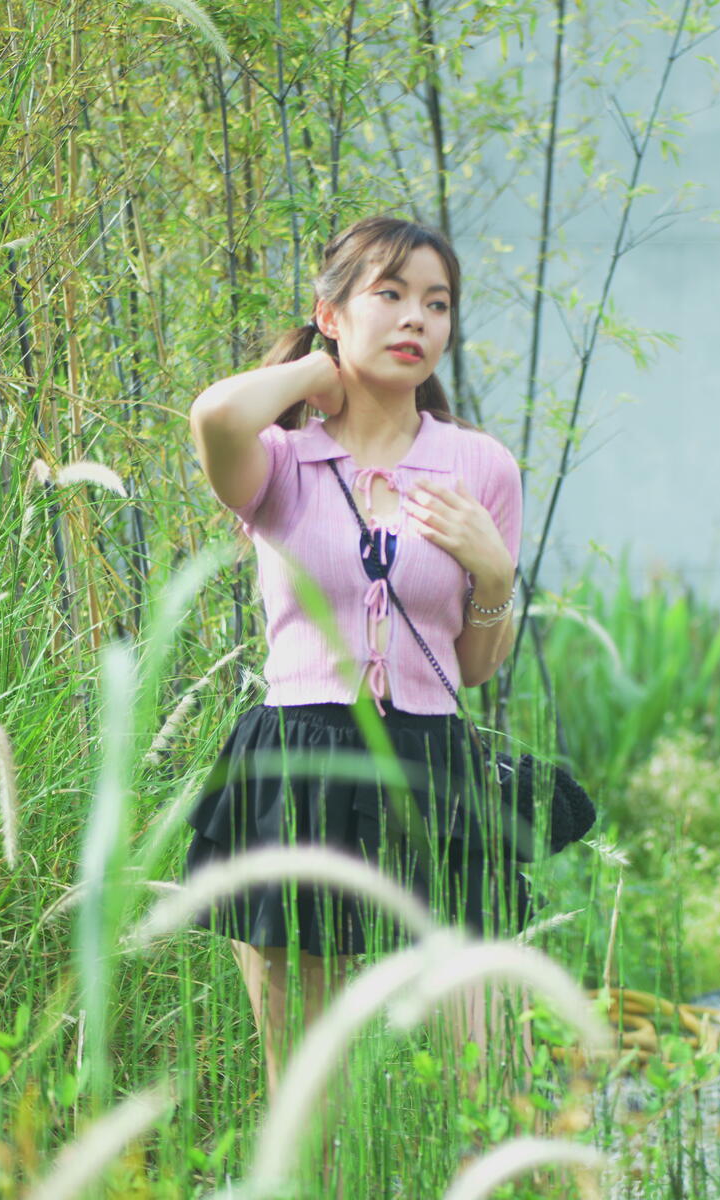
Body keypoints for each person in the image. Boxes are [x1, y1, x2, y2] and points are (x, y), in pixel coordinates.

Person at [180, 215, 538, 1112]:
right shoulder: (280, 464)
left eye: (437, 303)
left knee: (492, 1072)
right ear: (332, 313)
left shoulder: (481, 467)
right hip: (298, 765)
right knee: (310, 1094)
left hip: (432, 762)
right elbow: (215, 413)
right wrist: (316, 375)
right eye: (390, 294)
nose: (417, 318)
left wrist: (495, 575)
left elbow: (476, 666)